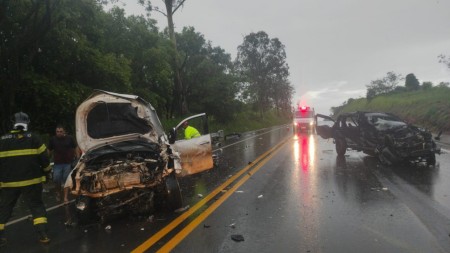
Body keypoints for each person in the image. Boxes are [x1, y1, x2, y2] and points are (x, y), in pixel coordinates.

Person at [0, 112, 52, 246]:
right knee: (37, 207)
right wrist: (47, 173)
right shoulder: (34, 139)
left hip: (8, 183)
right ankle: (43, 235)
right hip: (32, 182)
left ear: (13, 123)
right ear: (27, 123)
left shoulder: (3, 140)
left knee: (5, 208)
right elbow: (45, 159)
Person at [47, 125, 79, 204]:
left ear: (64, 132)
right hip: (57, 164)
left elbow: (76, 147)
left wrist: (78, 157)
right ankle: (58, 192)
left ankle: (65, 197)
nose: (59, 133)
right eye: (57, 131)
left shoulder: (69, 138)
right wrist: (45, 159)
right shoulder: (53, 140)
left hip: (68, 163)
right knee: (56, 179)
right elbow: (49, 150)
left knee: (66, 180)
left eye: (61, 131)